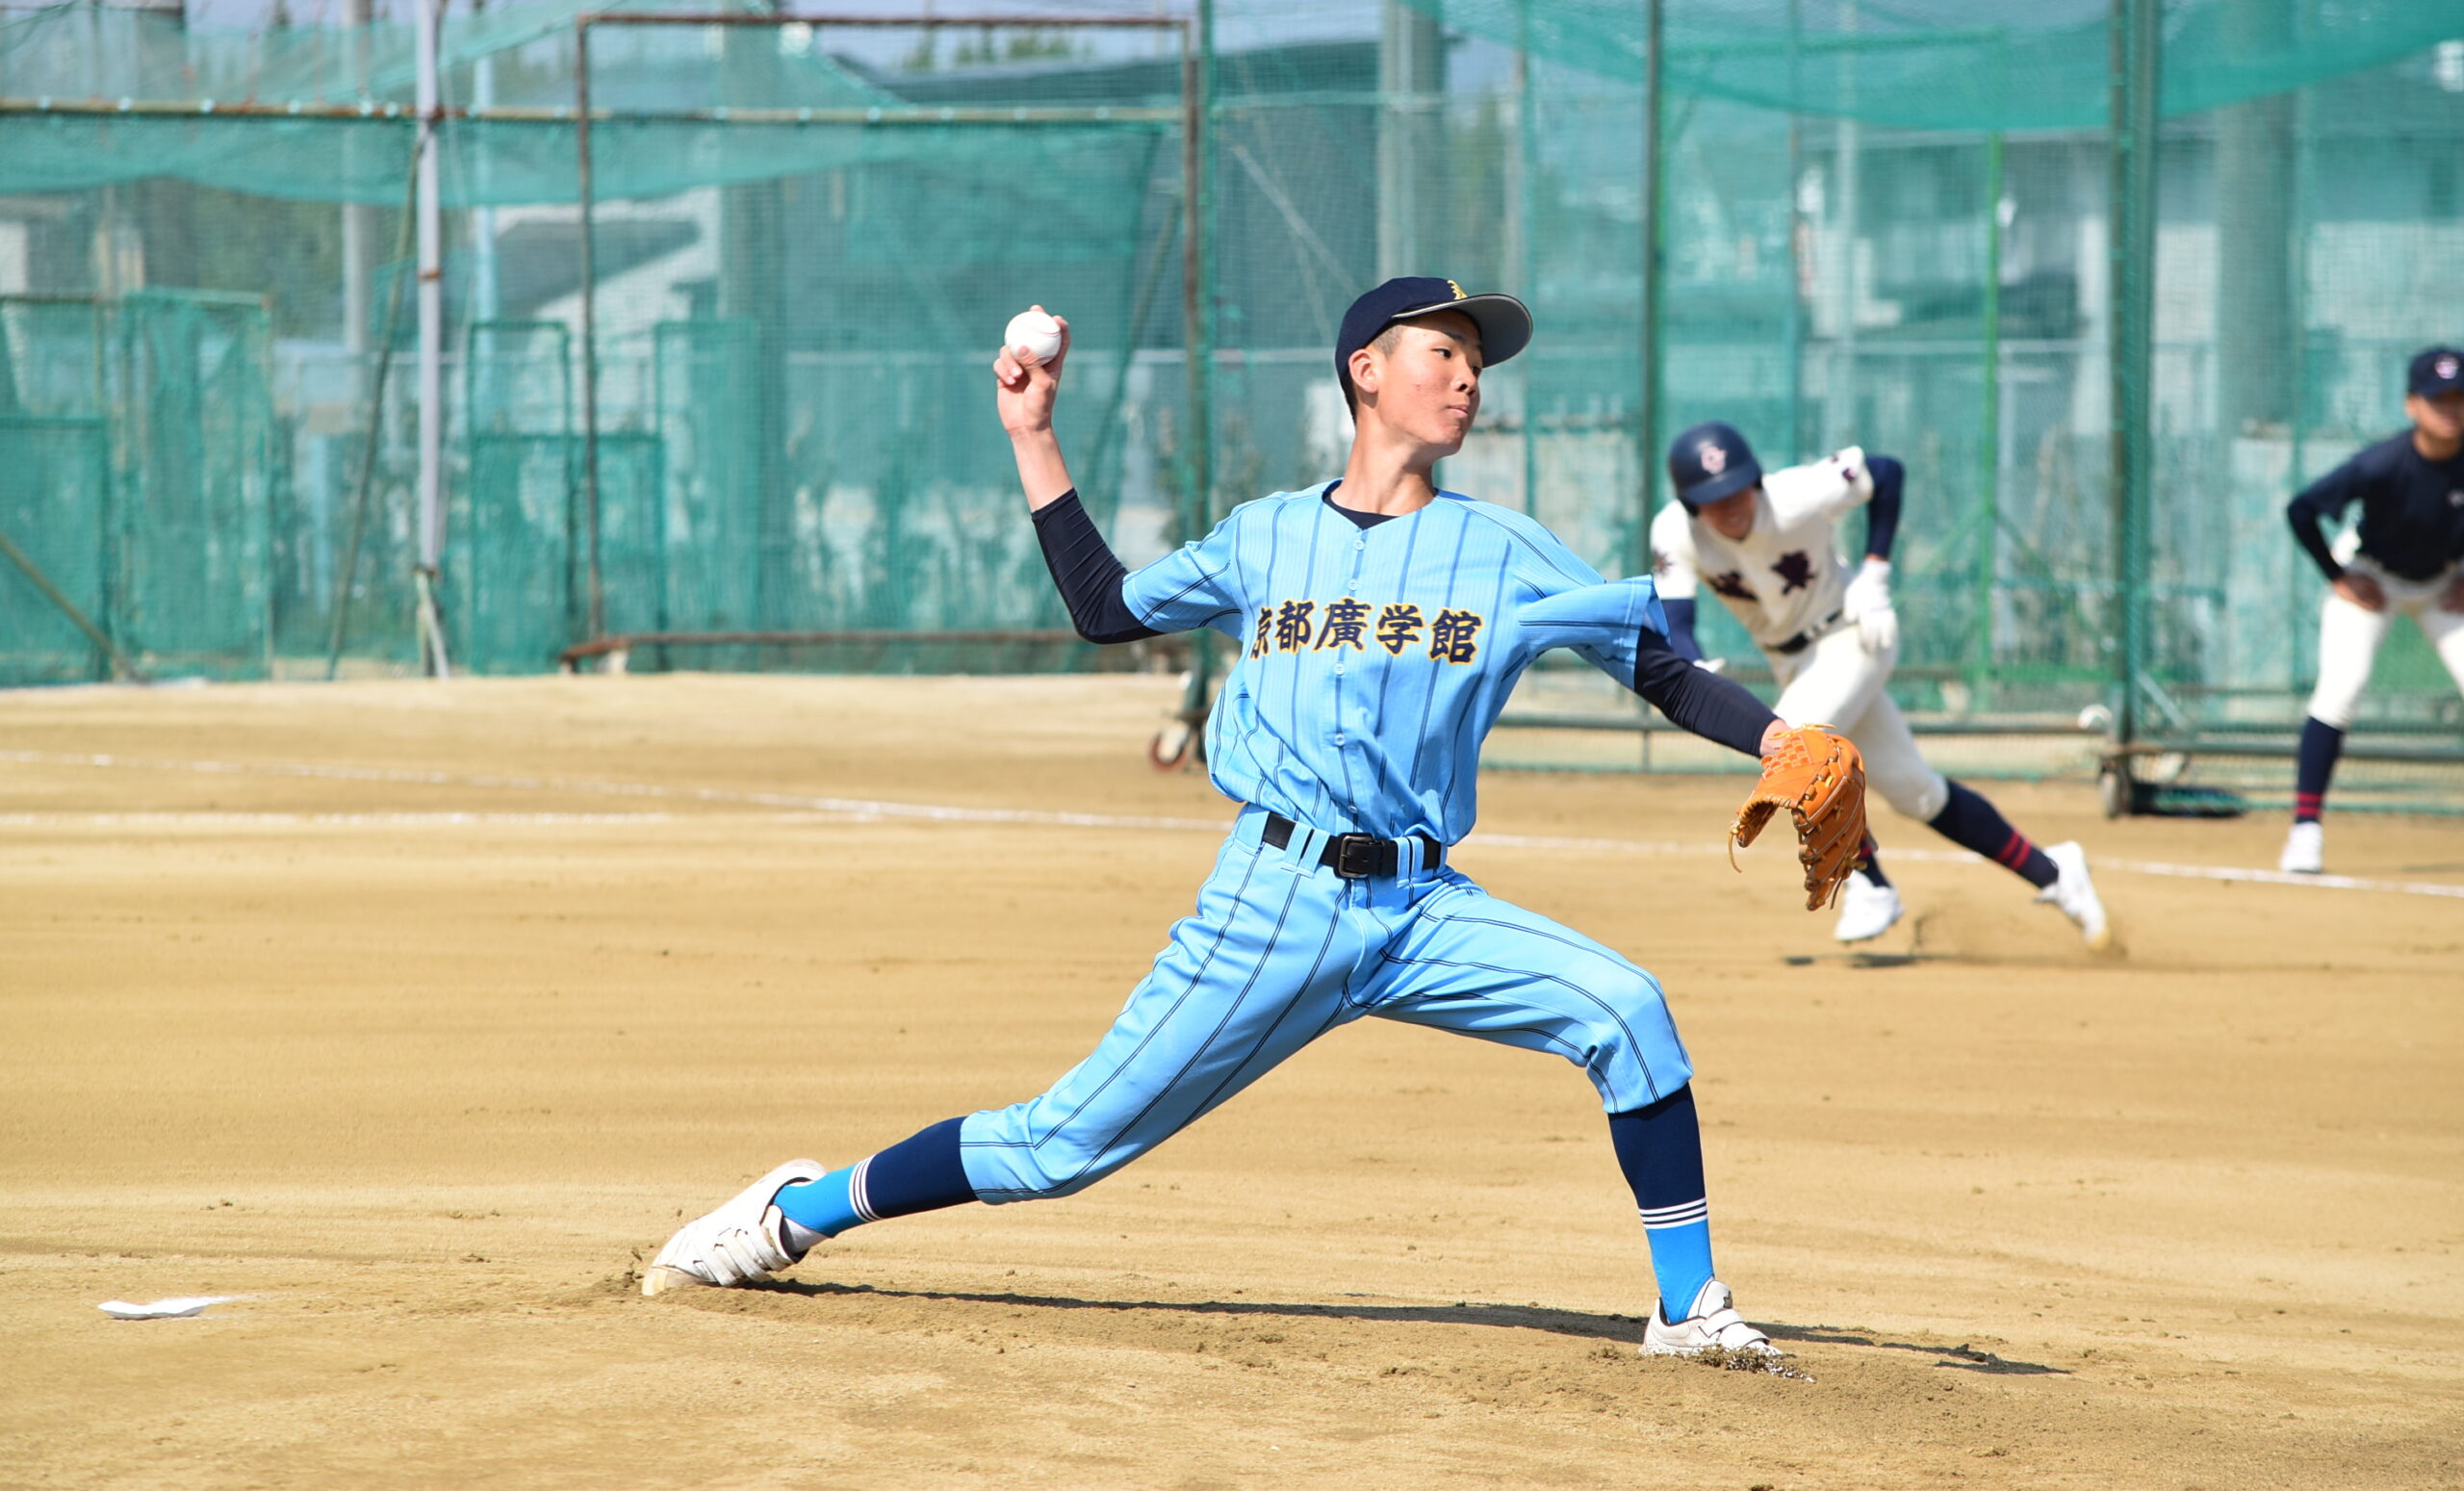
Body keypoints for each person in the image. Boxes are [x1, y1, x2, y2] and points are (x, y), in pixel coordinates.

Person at [643, 278, 1842, 1364]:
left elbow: (1660, 668)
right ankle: (794, 1211)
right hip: (1272, 900)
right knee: (1058, 1147)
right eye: (1443, 350)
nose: (1469, 377)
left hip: (1423, 908)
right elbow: (1108, 608)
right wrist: (1033, 434)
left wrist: (1779, 737)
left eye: (1478, 361)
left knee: (1627, 1010)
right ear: (1365, 369)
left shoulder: (1506, 548)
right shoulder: (1265, 534)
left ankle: (1686, 1309)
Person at [1649, 421, 2115, 955]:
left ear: (1755, 479)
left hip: (1855, 634)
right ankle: (2055, 872)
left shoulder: (1797, 493)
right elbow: (1676, 619)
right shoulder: (1674, 532)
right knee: (1918, 793)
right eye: (1712, 498)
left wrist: (1875, 573)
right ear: (1689, 504)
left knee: (1794, 751)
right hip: (1794, 664)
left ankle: (1871, 883)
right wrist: (1695, 665)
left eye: (1737, 488)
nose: (1729, 505)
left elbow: (1886, 472)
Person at [2278, 347, 2464, 874]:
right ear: (2412, 405)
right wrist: (2338, 578)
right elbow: (2302, 509)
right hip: (2374, 578)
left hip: (2443, 583)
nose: (2450, 409)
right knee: (2343, 687)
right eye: (2438, 398)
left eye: (2459, 397)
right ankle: (2305, 833)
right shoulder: (2383, 463)